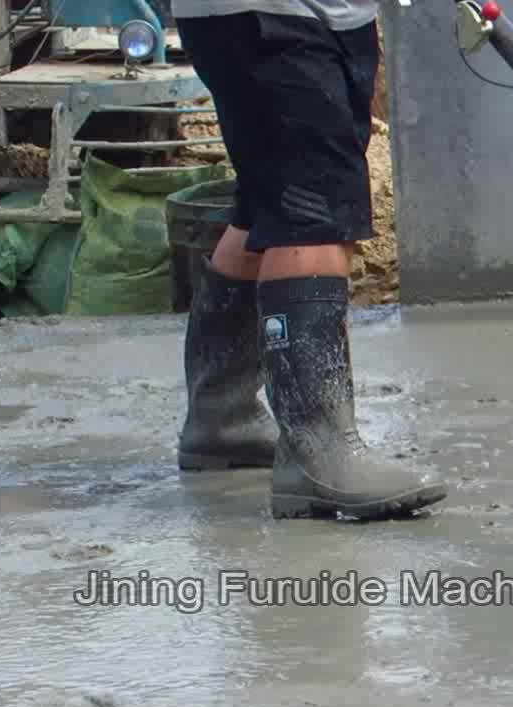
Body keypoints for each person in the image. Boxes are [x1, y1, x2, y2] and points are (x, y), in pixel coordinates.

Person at [170, 0, 446, 522]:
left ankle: (221, 421)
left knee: (265, 205)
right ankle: (318, 454)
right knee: (313, 206)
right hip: (273, 16)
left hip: (288, 17)